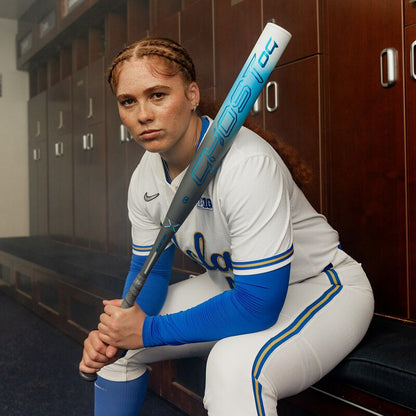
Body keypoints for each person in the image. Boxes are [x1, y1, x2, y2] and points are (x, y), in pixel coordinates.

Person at [79, 37, 374, 416]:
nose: (143, 114)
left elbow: (258, 306)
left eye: (157, 95)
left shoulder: (246, 165)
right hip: (233, 284)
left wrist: (147, 330)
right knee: (123, 350)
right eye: (128, 101)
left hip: (320, 287)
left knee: (234, 366)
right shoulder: (145, 178)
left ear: (191, 94)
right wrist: (119, 331)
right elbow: (148, 272)